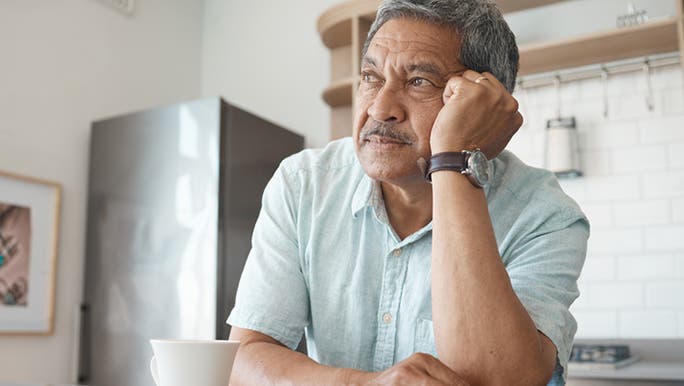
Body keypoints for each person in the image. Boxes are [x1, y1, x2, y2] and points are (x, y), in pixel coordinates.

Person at [227, 0, 589, 384]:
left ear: (481, 103)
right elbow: (244, 360)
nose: (380, 109)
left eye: (420, 81)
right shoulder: (304, 184)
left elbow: (499, 379)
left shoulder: (545, 214)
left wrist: (454, 159)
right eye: (370, 76)